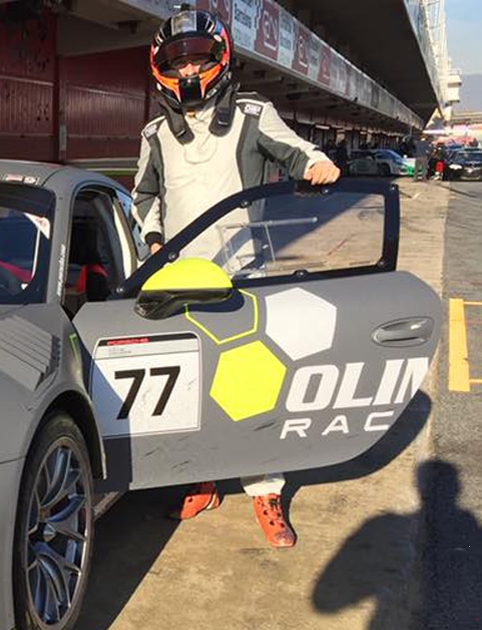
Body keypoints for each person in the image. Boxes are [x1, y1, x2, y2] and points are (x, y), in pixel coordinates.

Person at [132, 4, 340, 548]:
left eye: (197, 60)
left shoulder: (252, 113)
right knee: (194, 389)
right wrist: (154, 243)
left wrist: (317, 164)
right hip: (181, 281)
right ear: (161, 70)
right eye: (177, 62)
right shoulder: (154, 133)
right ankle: (202, 479)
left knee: (256, 385)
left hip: (245, 276)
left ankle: (265, 490)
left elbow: (295, 149)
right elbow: (143, 196)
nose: (188, 72)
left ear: (220, 60)